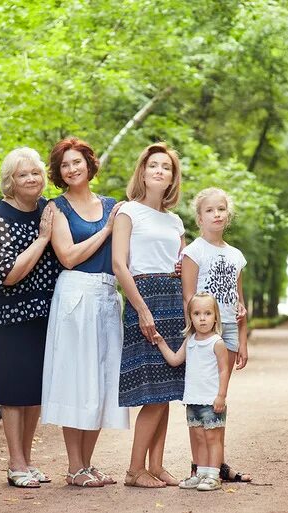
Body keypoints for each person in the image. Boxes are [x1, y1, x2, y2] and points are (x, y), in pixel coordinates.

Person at [40, 137, 129, 488]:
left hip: (108, 295)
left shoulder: (112, 205)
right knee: (75, 380)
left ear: (89, 165)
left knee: (101, 381)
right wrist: (107, 229)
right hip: (75, 296)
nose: (72, 169)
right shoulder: (56, 208)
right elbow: (68, 256)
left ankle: (88, 464)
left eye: (77, 162)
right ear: (59, 172)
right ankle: (74, 466)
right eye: (65, 165)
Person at [0, 147, 60, 489]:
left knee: (35, 392)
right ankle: (15, 464)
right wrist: (42, 239)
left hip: (46, 313)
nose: (32, 179)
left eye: (36, 173)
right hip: (11, 315)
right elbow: (8, 275)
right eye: (23, 174)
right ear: (10, 182)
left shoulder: (49, 209)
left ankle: (27, 460)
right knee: (14, 393)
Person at [112, 142, 186, 488]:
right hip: (144, 299)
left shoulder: (175, 221)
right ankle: (133, 470)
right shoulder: (128, 212)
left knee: (167, 392)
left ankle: (156, 465)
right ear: (142, 172)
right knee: (152, 393)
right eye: (153, 165)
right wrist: (141, 309)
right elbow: (119, 265)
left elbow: (183, 264)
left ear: (173, 178)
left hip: (172, 298)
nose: (159, 171)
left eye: (166, 167)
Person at [181, 187, 252, 483]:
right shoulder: (193, 252)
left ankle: (216, 465)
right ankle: (200, 466)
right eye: (210, 210)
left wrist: (243, 340)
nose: (217, 214)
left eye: (221, 209)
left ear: (228, 214)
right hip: (202, 333)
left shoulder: (236, 256)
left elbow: (239, 303)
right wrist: (196, 335)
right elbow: (188, 299)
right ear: (199, 217)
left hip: (229, 332)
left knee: (218, 398)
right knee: (200, 396)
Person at [153, 292, 230, 492]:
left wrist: (221, 395)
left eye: (207, 313)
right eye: (197, 313)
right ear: (190, 317)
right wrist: (161, 342)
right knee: (198, 438)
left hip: (212, 401)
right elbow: (175, 360)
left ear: (215, 317)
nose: (202, 318)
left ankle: (214, 475)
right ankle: (201, 473)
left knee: (213, 438)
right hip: (193, 400)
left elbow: (224, 370)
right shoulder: (190, 340)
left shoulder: (217, 342)